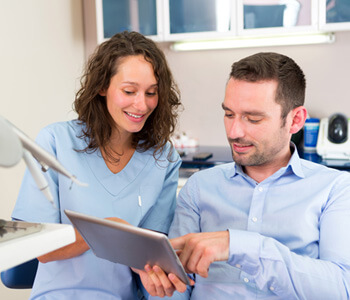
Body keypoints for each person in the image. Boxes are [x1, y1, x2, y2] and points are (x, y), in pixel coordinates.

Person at [141, 52, 350, 299]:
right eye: (229, 114)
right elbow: (177, 284)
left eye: (253, 118)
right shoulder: (199, 188)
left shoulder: (335, 189)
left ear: (295, 121)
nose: (234, 131)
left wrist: (239, 246)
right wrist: (160, 282)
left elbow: (341, 287)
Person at [11, 31, 182, 299]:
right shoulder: (55, 141)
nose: (142, 104)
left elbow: (151, 255)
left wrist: (154, 274)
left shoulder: (164, 158)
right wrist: (106, 229)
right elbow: (39, 248)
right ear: (102, 87)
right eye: (129, 91)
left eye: (151, 93)